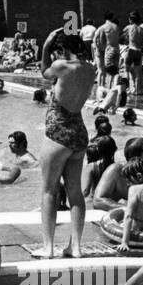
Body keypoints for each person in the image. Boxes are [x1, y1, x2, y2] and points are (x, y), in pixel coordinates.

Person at [37, 29, 96, 259]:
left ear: (62, 49)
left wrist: (45, 46)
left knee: (49, 190)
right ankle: (76, 247)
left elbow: (44, 72)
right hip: (79, 133)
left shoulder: (63, 65)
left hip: (58, 131)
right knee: (75, 192)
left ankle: (48, 247)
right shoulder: (90, 69)